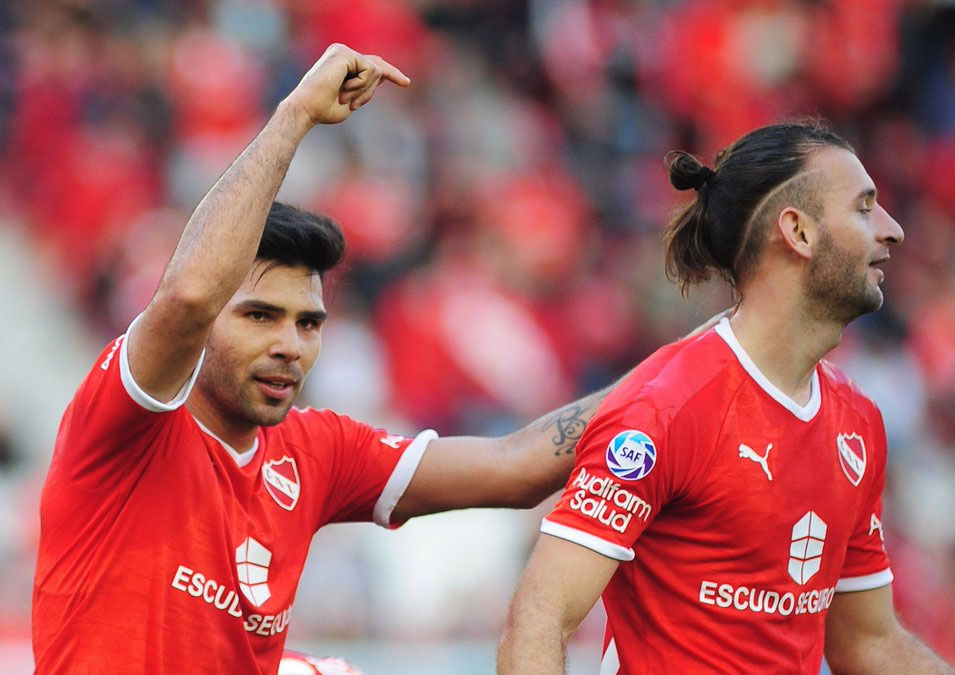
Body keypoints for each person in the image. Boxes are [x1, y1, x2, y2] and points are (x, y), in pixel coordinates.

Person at [32, 44, 613, 674]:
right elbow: (189, 294)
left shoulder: (317, 452)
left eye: (308, 323)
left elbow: (516, 466)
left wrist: (681, 367)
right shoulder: (128, 423)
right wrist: (295, 117)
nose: (290, 344)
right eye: (260, 316)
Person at [498, 122, 955, 674]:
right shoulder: (664, 411)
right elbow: (540, 618)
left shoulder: (856, 421)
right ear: (799, 232)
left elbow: (869, 643)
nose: (893, 230)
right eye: (864, 209)